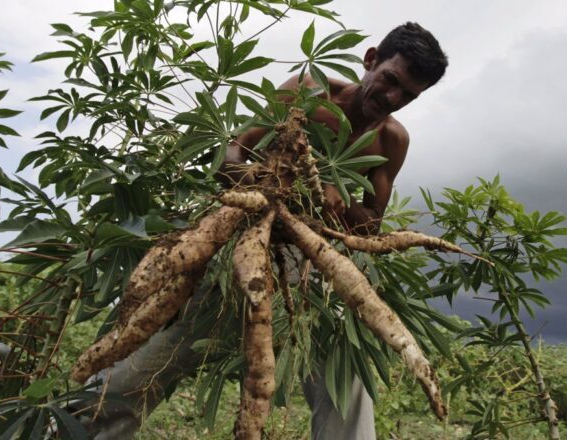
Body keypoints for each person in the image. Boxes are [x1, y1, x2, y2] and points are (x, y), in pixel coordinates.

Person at [77, 22, 448, 440]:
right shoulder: (310, 90)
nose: (393, 98)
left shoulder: (391, 140)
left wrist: (339, 198)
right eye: (391, 80)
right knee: (142, 366)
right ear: (371, 59)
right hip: (240, 242)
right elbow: (229, 157)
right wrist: (288, 181)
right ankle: (77, 428)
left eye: (409, 96)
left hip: (312, 269)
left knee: (347, 387)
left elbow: (372, 224)